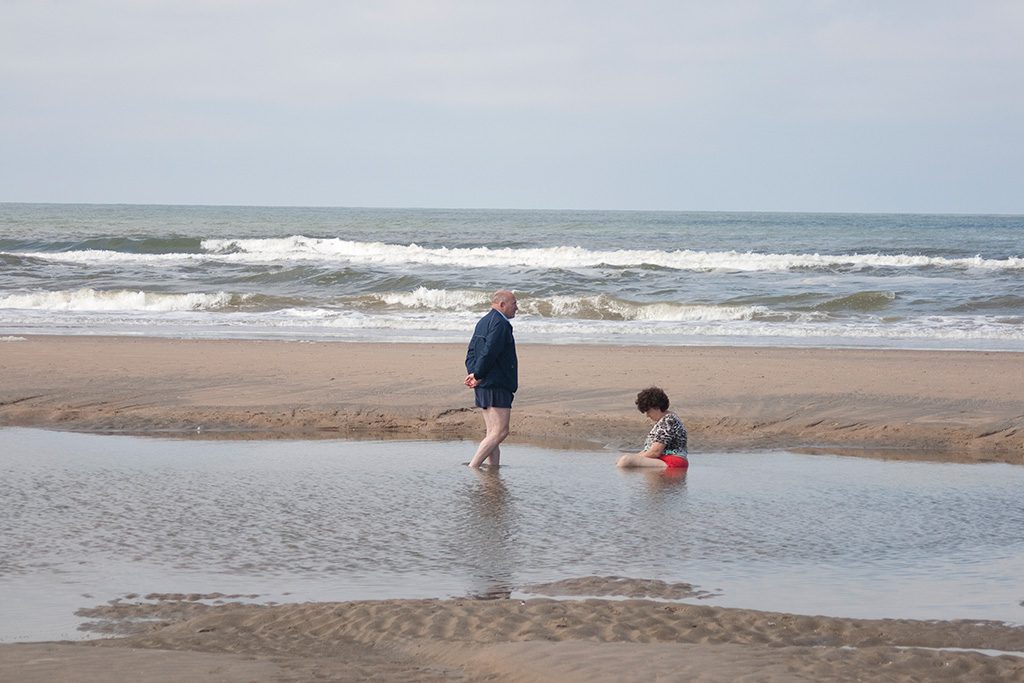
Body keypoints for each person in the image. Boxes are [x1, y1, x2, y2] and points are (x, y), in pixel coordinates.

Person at [464, 290, 519, 468]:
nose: (516, 308)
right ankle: (474, 466)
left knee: (492, 433)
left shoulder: (483, 321)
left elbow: (471, 351)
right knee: (501, 431)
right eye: (514, 303)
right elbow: (490, 352)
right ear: (502, 304)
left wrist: (474, 374)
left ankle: (493, 470)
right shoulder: (500, 324)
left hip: (484, 382)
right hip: (496, 383)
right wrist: (478, 375)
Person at [616, 386, 688, 469]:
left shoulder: (668, 420)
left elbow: (655, 452)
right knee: (622, 459)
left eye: (648, 411)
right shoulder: (664, 420)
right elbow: (649, 450)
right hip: (664, 459)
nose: (647, 415)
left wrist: (631, 458)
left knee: (625, 461)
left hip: (672, 461)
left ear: (657, 407)